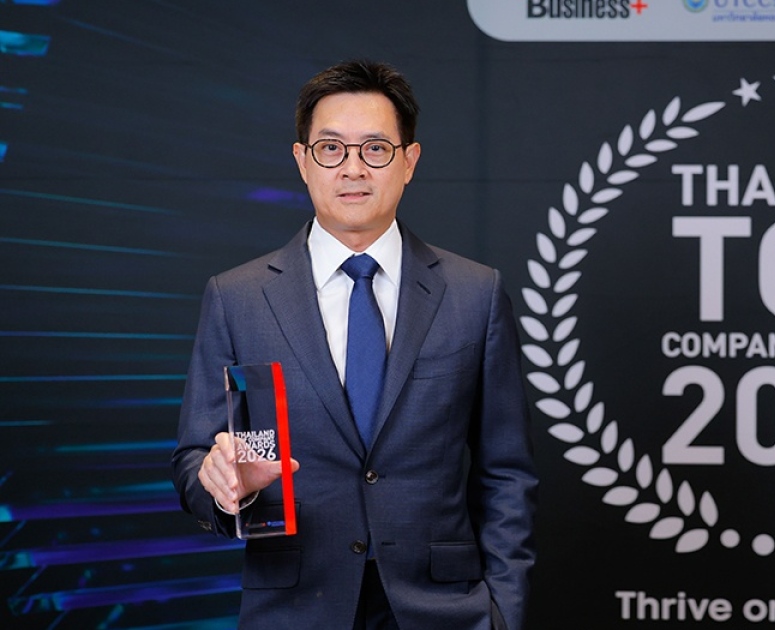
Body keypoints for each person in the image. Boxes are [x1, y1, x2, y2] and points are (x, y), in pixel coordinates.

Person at [171, 60, 537, 630]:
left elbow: (506, 473)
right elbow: (195, 459)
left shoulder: (475, 294)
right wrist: (224, 488)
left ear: (409, 162)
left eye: (376, 149)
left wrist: (503, 613)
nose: (353, 168)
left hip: (443, 610)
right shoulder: (237, 297)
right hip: (294, 609)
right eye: (330, 149)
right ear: (302, 161)